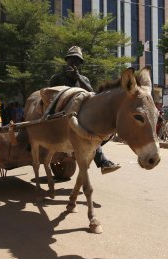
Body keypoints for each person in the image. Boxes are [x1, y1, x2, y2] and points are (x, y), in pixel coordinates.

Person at [49, 46, 120, 174]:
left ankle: (102, 162)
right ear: (67, 60)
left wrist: (78, 77)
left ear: (80, 64)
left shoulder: (83, 79)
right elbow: (50, 98)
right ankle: (102, 161)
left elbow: (92, 93)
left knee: (94, 133)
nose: (74, 63)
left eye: (77, 61)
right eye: (72, 60)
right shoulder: (57, 78)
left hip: (80, 117)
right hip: (60, 116)